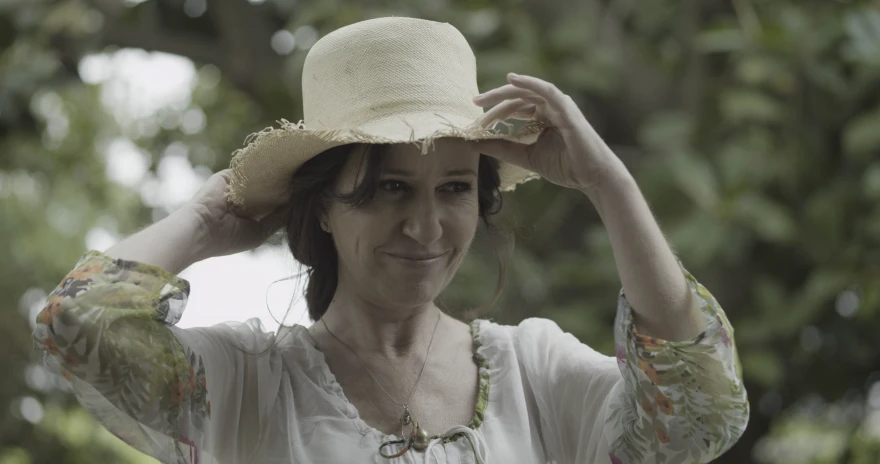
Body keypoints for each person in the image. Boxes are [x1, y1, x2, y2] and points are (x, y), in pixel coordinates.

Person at [33, 16, 748, 464]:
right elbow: (78, 321)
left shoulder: (537, 374)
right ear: (321, 208)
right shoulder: (249, 382)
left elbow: (696, 416)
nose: (427, 226)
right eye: (388, 187)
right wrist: (204, 221)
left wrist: (610, 186)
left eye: (456, 188)